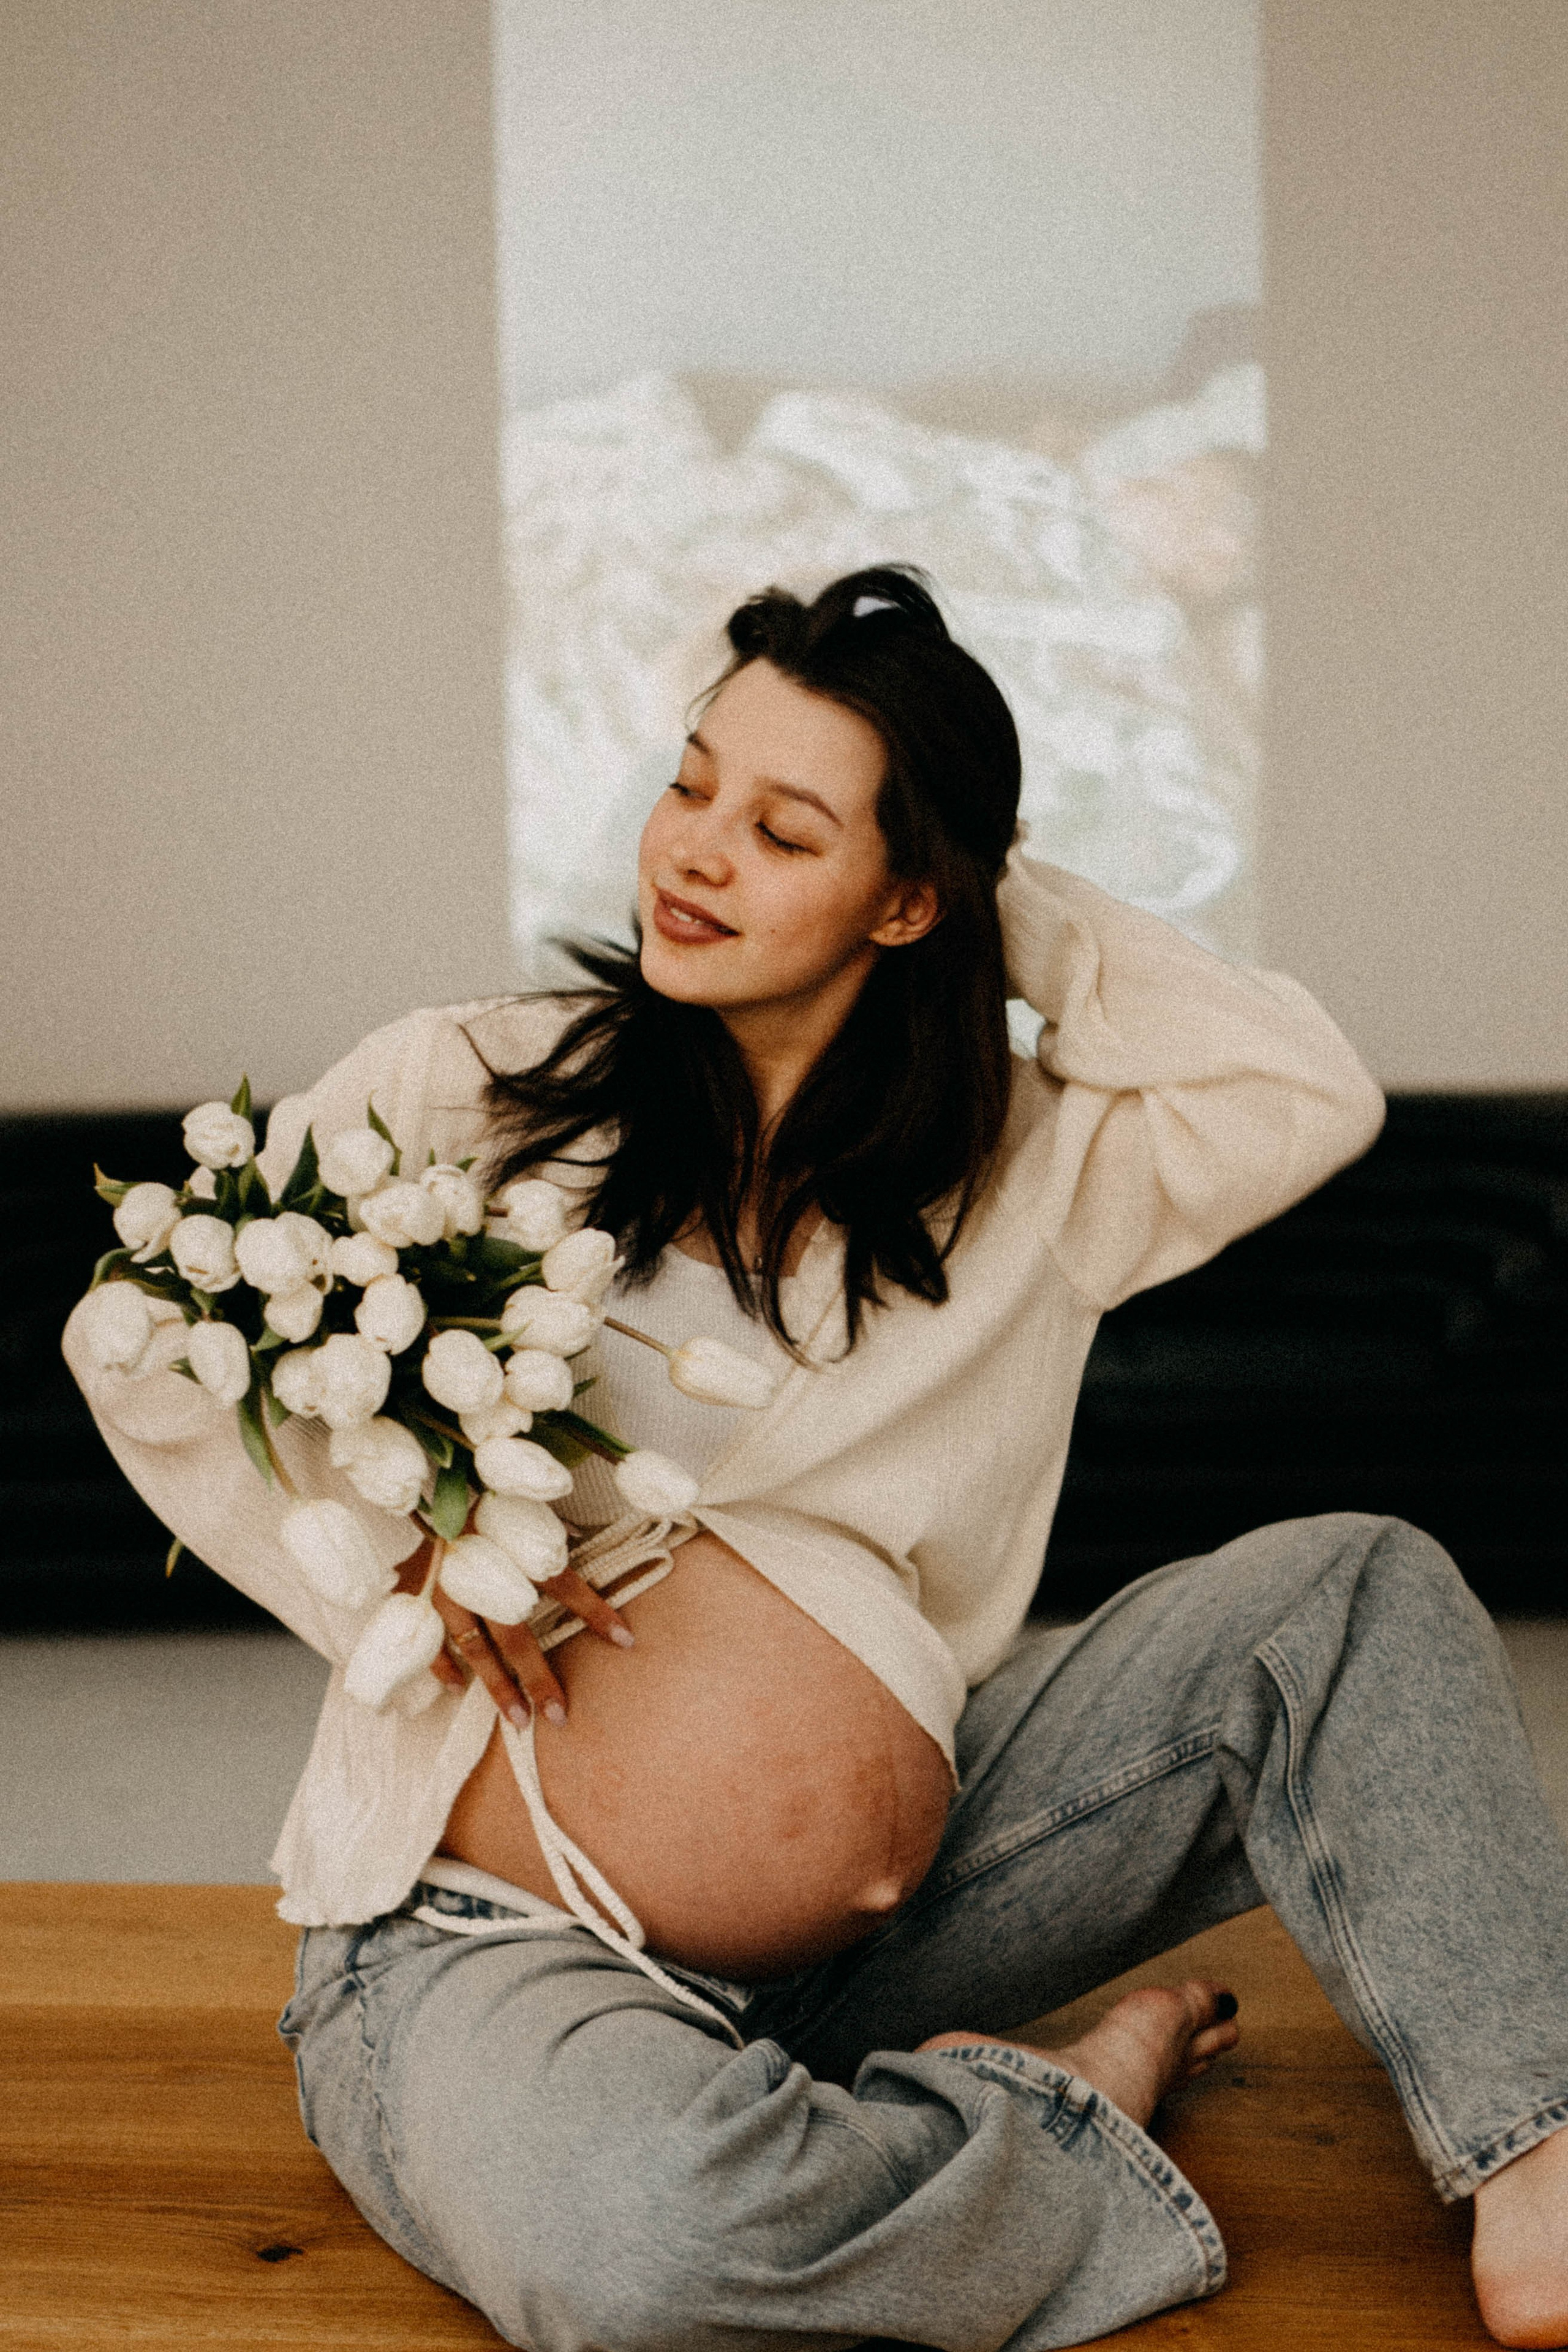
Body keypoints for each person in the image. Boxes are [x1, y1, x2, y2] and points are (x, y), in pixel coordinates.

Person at [65, 565, 1568, 2350]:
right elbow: (142, 1325)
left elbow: (1308, 1089)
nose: (694, 854)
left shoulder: (1038, 1172)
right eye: (691, 785)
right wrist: (384, 1549)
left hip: (906, 1919)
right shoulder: (473, 1087)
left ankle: (1534, 2153)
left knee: (1358, 1593)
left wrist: (1006, 894)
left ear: (914, 898)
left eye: (785, 830)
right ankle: (1045, 2108)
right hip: (496, 1950)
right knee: (643, 2243)